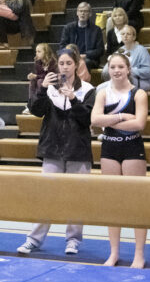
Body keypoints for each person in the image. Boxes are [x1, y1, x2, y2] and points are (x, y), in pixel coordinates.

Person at [17, 49, 95, 257]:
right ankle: (34, 239)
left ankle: (73, 240)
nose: (65, 67)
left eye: (69, 63)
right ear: (57, 65)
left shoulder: (87, 89)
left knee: (76, 198)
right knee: (46, 197)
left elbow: (88, 119)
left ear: (76, 64)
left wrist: (73, 99)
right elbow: (35, 110)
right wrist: (41, 89)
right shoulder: (49, 88)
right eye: (61, 63)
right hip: (52, 149)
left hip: (78, 150)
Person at [91, 52, 148, 268]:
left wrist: (109, 122)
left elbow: (140, 124)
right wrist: (123, 117)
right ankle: (114, 252)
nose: (116, 71)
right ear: (109, 69)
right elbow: (95, 119)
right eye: (113, 67)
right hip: (110, 147)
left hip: (132, 147)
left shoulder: (138, 94)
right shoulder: (103, 93)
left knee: (136, 203)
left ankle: (139, 254)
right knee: (113, 202)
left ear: (128, 69)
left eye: (120, 67)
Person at [104, 26, 150, 91]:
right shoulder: (119, 51)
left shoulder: (142, 50)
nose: (125, 36)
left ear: (134, 37)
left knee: (122, 85)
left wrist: (130, 71)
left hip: (141, 81)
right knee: (100, 88)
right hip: (122, 80)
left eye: (128, 34)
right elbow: (106, 71)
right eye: (123, 34)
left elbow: (148, 71)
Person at [57, 2, 104, 69]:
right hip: (71, 57)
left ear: (90, 14)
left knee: (84, 63)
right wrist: (73, 55)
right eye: (80, 11)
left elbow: (100, 50)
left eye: (85, 11)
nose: (82, 13)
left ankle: (80, 80)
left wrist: (85, 55)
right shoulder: (68, 28)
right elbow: (62, 46)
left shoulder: (96, 30)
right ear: (77, 13)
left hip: (89, 59)